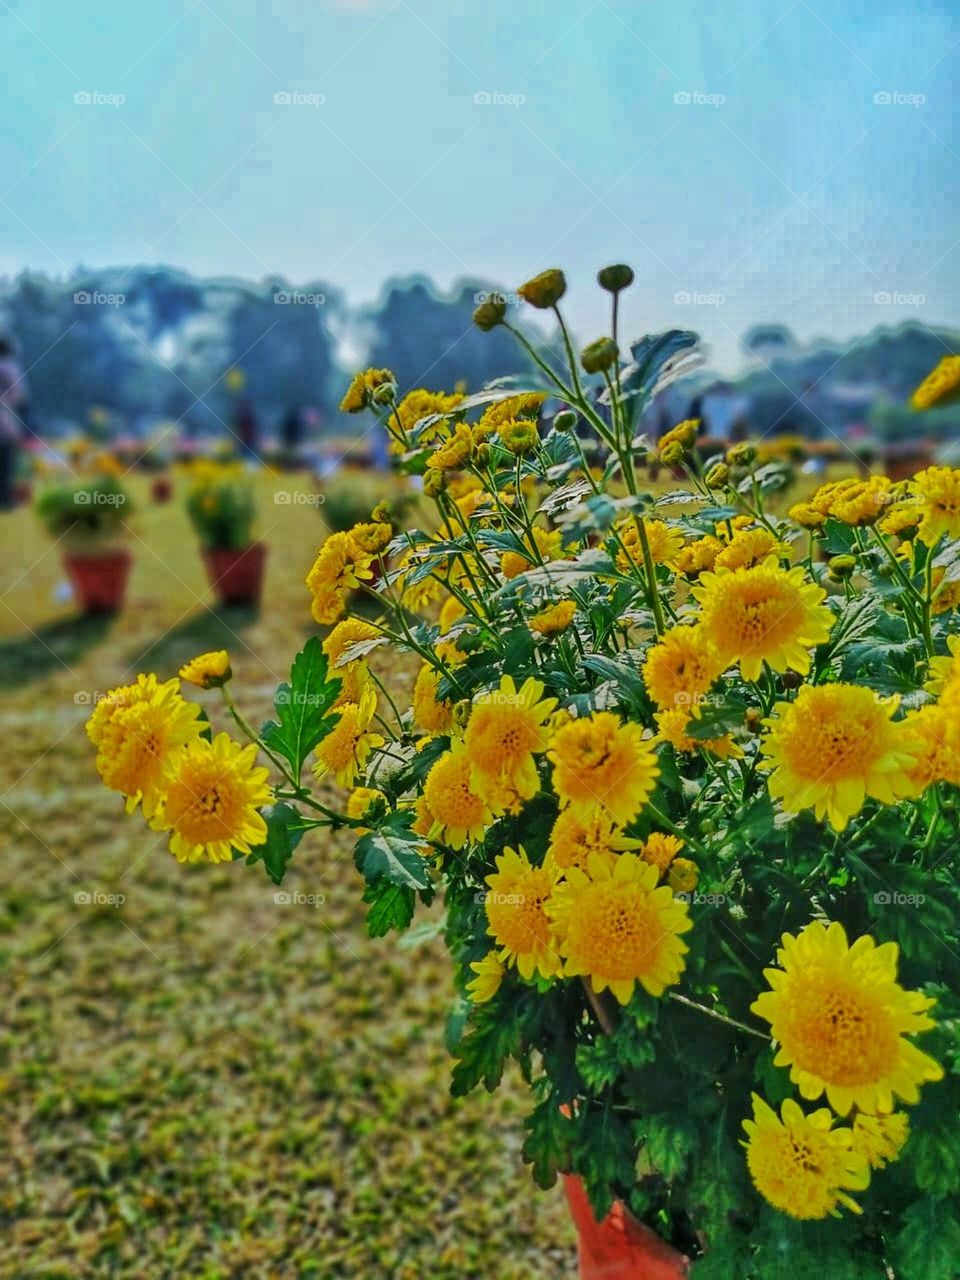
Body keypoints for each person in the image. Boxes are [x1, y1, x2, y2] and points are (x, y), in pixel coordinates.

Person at [0, 337, 27, 510]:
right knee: (6, 466)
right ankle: (5, 500)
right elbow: (18, 396)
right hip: (5, 424)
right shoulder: (9, 368)